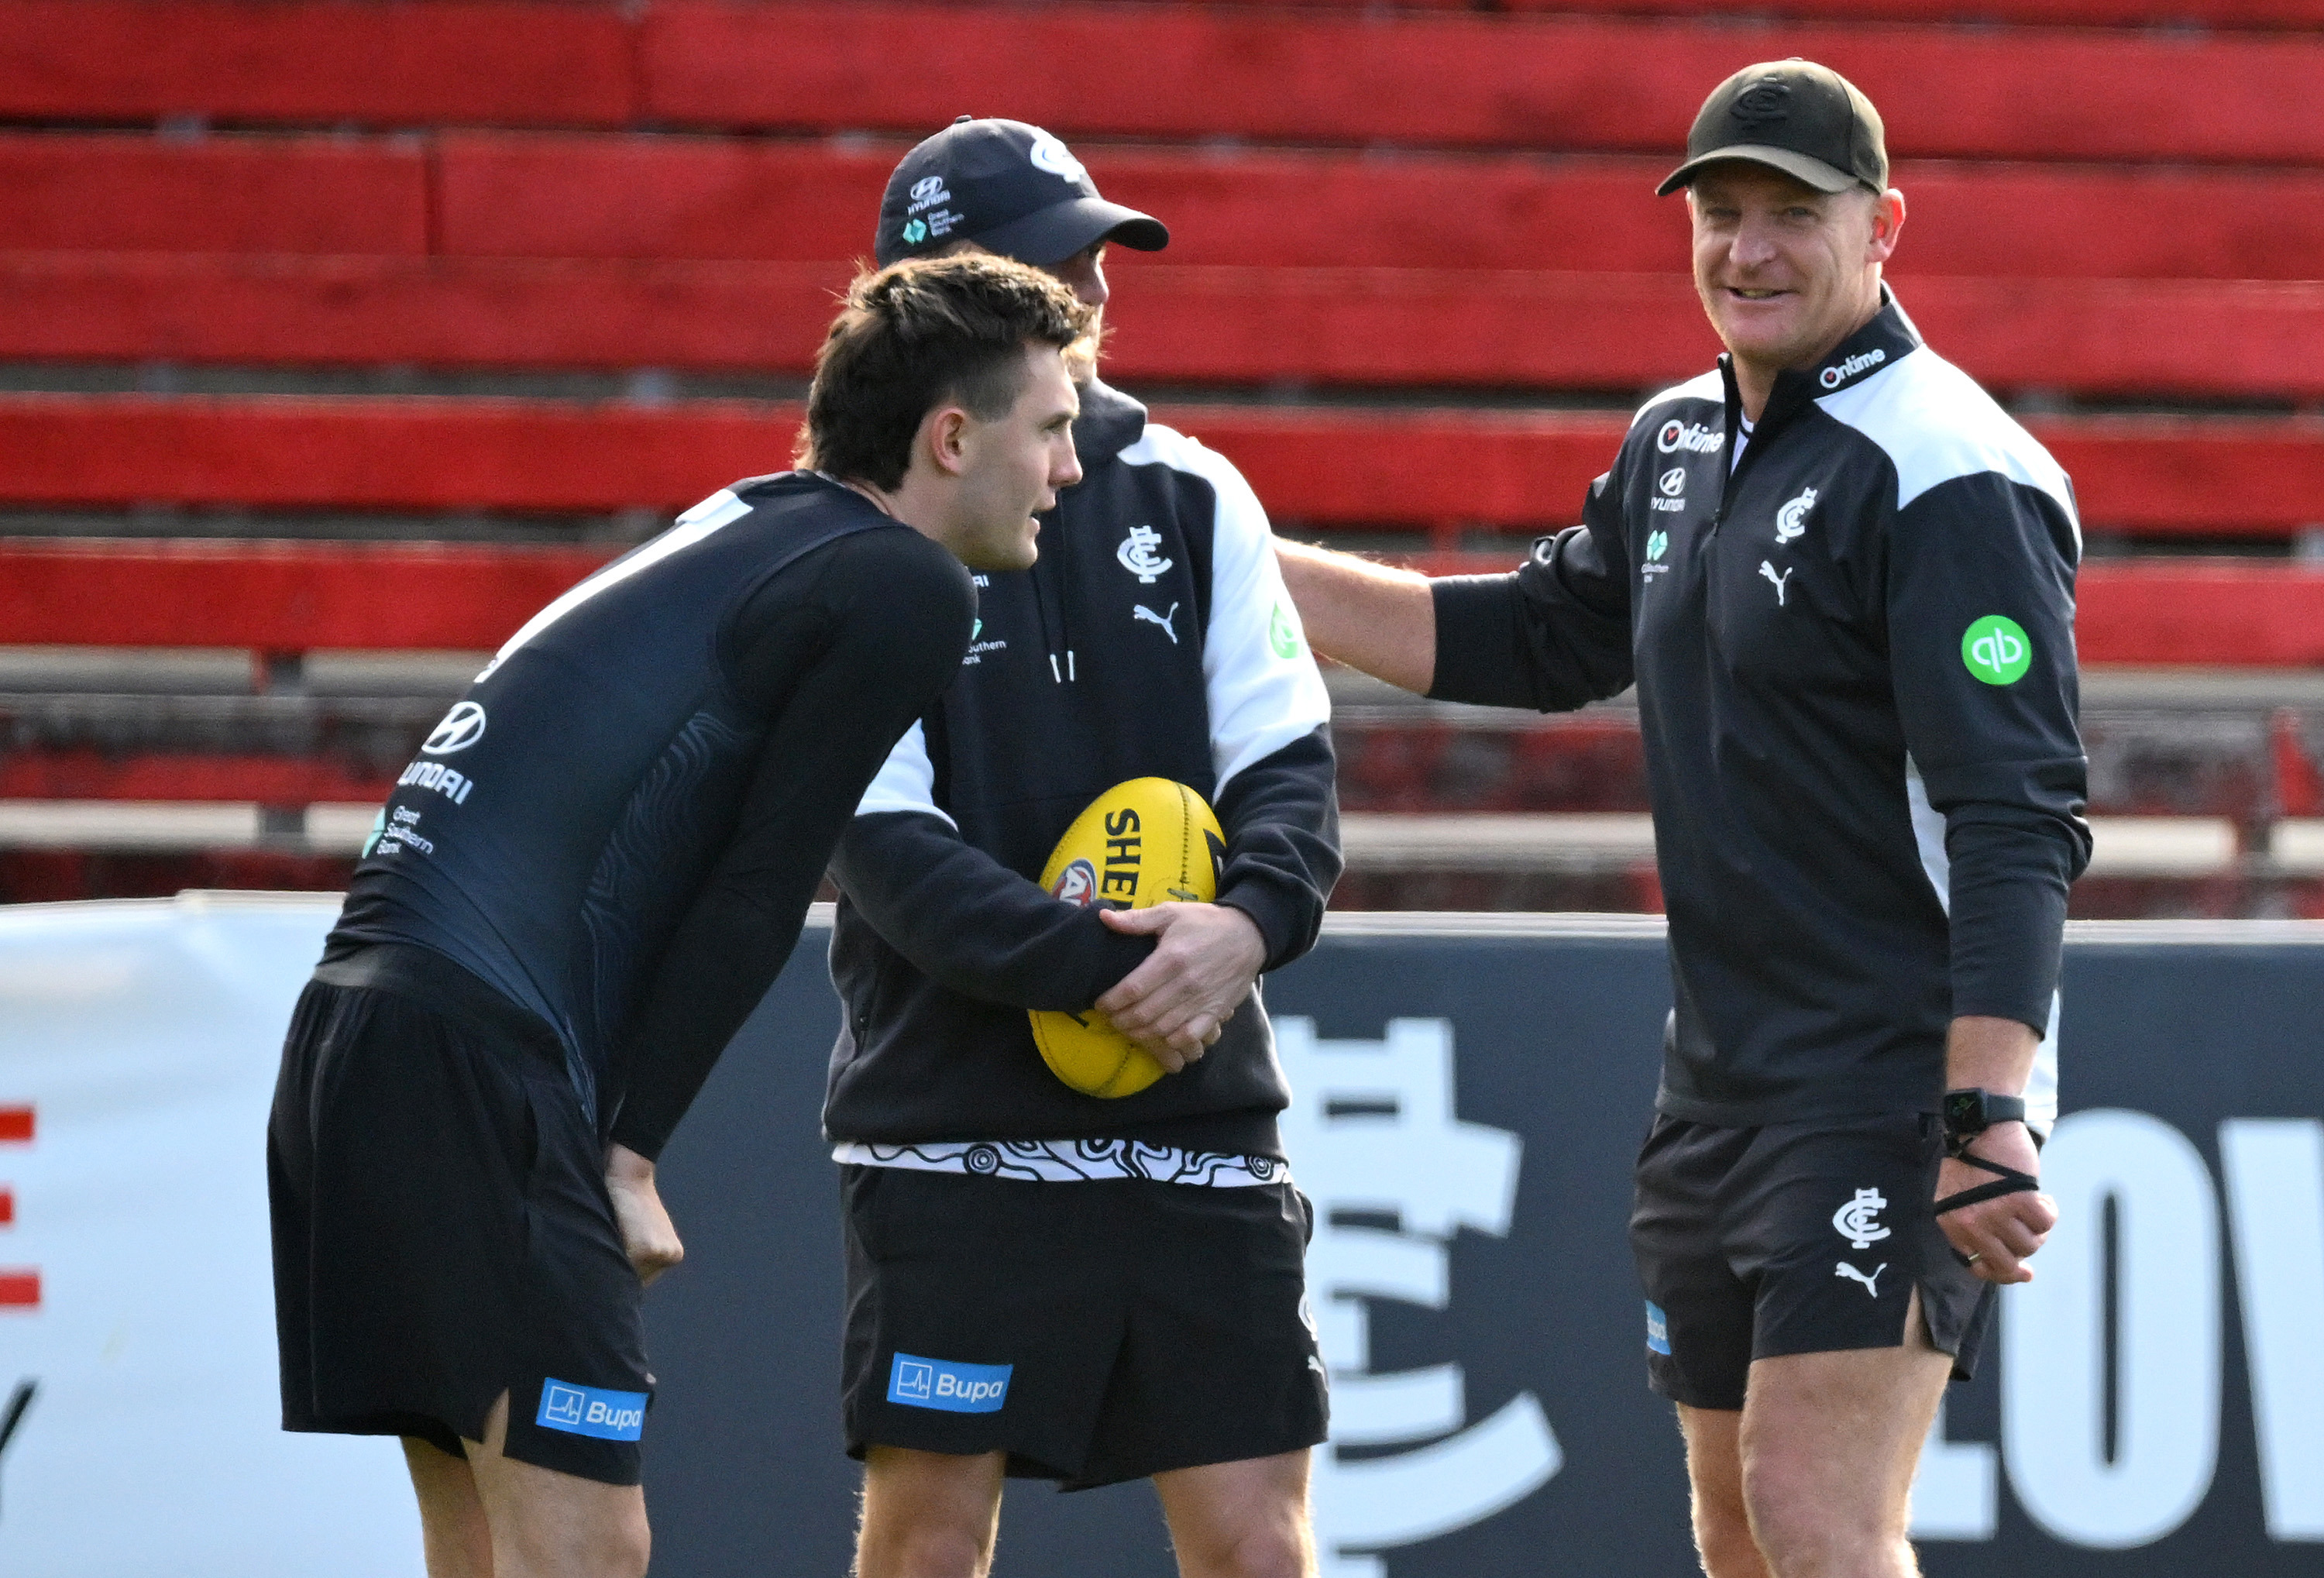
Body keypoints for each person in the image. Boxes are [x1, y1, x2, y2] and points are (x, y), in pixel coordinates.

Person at [1275, 62, 2087, 1578]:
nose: (1748, 250)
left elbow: (2018, 812)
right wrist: (1238, 556)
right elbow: (1531, 639)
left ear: (1884, 225)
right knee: (1737, 1527)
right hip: (1716, 1084)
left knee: (1816, 1511)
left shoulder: (1951, 468)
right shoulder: (1677, 440)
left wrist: (1986, 1106)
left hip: (1889, 1077)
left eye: (1793, 214)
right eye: (1721, 214)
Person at [266, 253, 1093, 1578]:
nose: (1070, 468)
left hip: (354, 1040)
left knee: (480, 1548)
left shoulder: (748, 516)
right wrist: (630, 1154)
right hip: (483, 1060)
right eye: (1051, 428)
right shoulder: (906, 582)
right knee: (588, 1549)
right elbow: (761, 882)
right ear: (951, 437)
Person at [825, 118, 1340, 1578]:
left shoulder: (1195, 488)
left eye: (1098, 258)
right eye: (1054, 265)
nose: (1096, 292)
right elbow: (884, 841)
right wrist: (1122, 970)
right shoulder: (843, 537)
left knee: (1260, 1549)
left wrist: (1242, 929)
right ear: (934, 301)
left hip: (1198, 1110)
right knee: (930, 1547)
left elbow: (1290, 768)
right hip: (952, 1117)